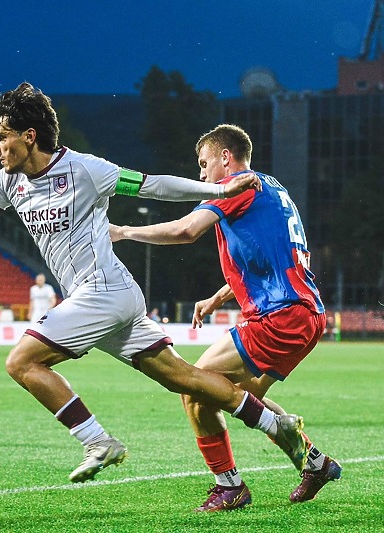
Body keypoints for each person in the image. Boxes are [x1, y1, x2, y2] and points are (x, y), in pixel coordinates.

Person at [0, 82, 307, 485]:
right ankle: (278, 423)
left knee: (21, 362)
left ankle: (96, 440)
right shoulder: (8, 182)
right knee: (185, 378)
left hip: (104, 291)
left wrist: (218, 190)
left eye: (1, 137)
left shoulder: (85, 169)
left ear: (29, 136)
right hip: (104, 298)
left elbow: (153, 185)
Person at [110, 124, 342, 511]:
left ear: (225, 158)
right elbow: (270, 256)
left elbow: (187, 231)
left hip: (279, 316)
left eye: (203, 165)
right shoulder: (273, 187)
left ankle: (230, 486)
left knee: (194, 388)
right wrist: (219, 296)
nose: (202, 176)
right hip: (306, 314)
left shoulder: (237, 186)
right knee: (240, 398)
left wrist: (125, 232)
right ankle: (314, 463)